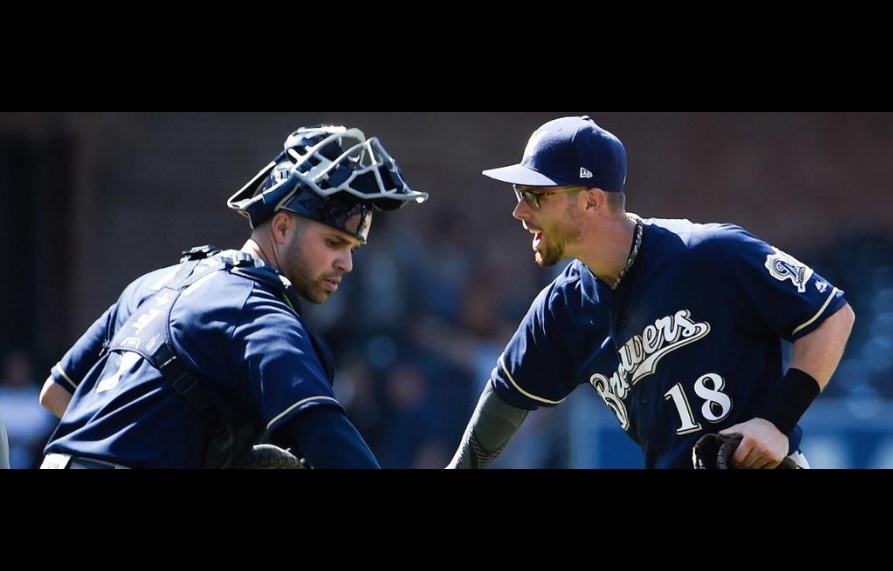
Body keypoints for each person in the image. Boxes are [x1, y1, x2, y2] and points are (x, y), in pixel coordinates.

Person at [446, 115, 855, 469]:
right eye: (520, 196)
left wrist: (775, 421)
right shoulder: (562, 309)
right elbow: (504, 401)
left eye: (536, 196)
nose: (520, 211)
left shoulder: (707, 254)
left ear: (591, 201)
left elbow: (832, 316)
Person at [38, 124, 428, 469]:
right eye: (333, 242)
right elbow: (324, 431)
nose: (346, 263)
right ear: (281, 226)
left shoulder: (157, 282)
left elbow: (57, 394)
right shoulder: (258, 310)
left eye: (352, 249)